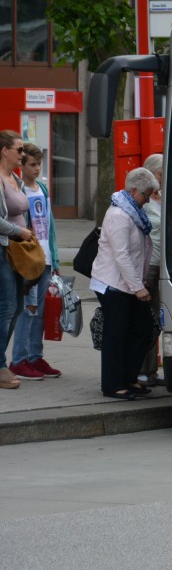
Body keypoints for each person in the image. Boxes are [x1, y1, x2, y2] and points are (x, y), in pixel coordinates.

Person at [91, 168, 159, 400]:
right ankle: (112, 384)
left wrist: (141, 281)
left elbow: (141, 251)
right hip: (113, 284)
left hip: (128, 283)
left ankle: (129, 377)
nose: (148, 199)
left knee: (142, 328)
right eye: (145, 194)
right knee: (116, 334)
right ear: (133, 190)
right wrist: (138, 287)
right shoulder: (119, 215)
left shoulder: (133, 212)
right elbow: (121, 255)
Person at [11, 144, 62, 380]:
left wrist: (56, 258)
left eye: (39, 164)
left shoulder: (42, 188)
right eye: (32, 164)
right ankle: (18, 360)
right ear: (21, 166)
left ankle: (35, 357)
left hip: (45, 258)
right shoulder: (18, 189)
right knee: (27, 311)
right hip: (28, 260)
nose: (37, 168)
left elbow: (49, 227)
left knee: (41, 312)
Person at [0, 131, 35, 389]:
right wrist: (19, 232)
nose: (22, 154)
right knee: (7, 307)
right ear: (5, 150)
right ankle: (0, 365)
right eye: (19, 150)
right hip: (4, 250)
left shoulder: (16, 180)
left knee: (17, 308)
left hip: (20, 252)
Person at [138, 153, 164, 386]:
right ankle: (141, 370)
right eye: (160, 173)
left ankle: (152, 369)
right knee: (146, 318)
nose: (163, 177)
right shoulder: (144, 203)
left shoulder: (162, 198)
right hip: (149, 266)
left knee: (156, 319)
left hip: (163, 266)